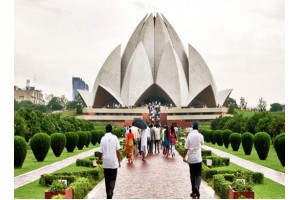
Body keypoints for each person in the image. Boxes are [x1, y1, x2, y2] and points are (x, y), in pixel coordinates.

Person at [98, 124, 122, 199]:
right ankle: (110, 192)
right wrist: (119, 162)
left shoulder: (103, 139)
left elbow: (100, 152)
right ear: (112, 130)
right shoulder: (115, 138)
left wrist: (99, 159)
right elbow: (118, 151)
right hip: (113, 163)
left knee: (107, 180)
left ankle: (108, 194)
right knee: (112, 179)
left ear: (106, 130)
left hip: (106, 163)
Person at [182, 121, 204, 199]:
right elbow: (202, 143)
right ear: (197, 127)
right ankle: (197, 186)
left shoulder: (189, 136)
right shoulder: (200, 135)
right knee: (198, 175)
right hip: (198, 159)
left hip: (191, 159)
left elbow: (186, 148)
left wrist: (183, 157)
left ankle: (193, 192)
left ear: (192, 127)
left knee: (192, 175)